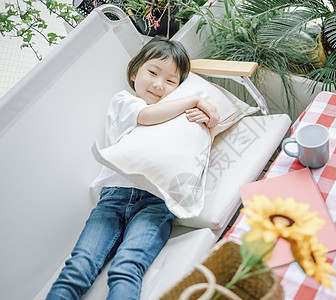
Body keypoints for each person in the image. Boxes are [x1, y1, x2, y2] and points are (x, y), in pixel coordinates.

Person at [46, 37, 219, 300]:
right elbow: (147, 117)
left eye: (171, 81)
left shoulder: (179, 117)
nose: (159, 85)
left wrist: (209, 123)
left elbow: (196, 154)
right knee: (79, 267)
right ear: (135, 71)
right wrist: (194, 99)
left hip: (156, 203)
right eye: (153, 72)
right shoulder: (124, 102)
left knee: (127, 267)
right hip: (113, 198)